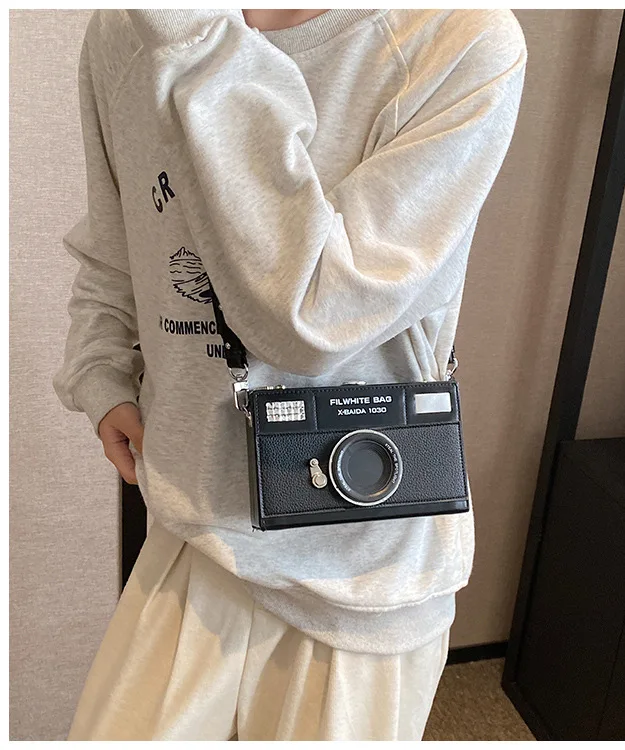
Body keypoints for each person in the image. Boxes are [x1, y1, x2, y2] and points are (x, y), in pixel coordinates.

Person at [53, 8, 526, 741]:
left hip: (361, 575)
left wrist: (196, 42)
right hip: (191, 531)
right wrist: (100, 370)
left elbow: (310, 316)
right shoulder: (125, 31)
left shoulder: (457, 38)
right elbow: (117, 244)